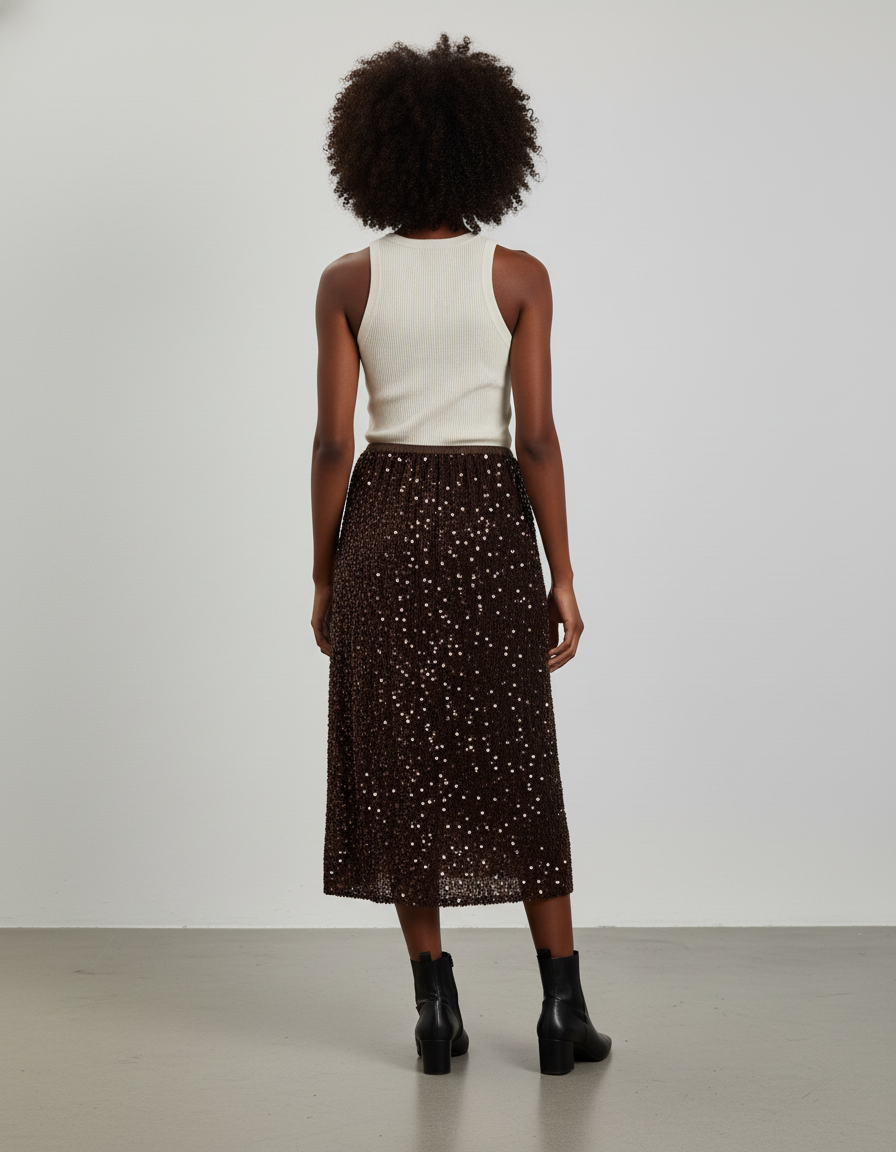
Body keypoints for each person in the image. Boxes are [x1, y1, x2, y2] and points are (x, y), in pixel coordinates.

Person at [311, 33, 610, 1076]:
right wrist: (561, 572)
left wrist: (323, 571)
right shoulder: (518, 276)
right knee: (517, 759)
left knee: (402, 764)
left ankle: (434, 1013)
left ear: (372, 156)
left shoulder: (347, 281)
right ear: (489, 151)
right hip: (487, 525)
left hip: (384, 522)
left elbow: (333, 444)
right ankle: (561, 1009)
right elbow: (536, 439)